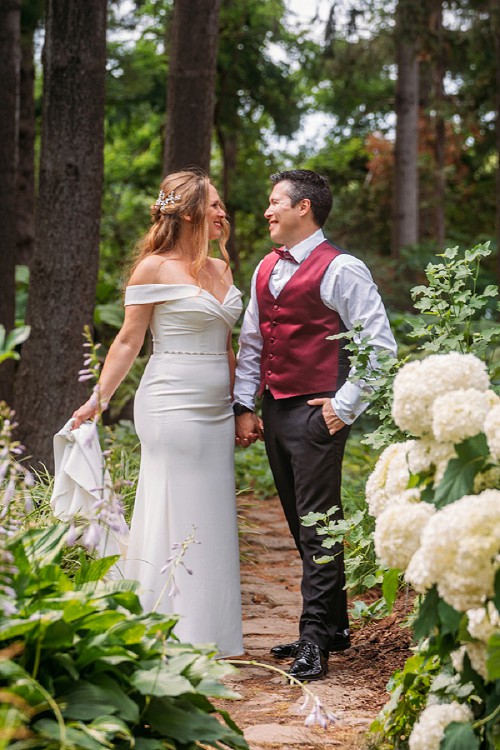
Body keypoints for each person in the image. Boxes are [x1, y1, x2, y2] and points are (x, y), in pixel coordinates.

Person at [72, 169, 244, 658]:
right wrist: (97, 401)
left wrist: (240, 405)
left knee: (211, 510)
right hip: (170, 401)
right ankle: (169, 628)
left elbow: (226, 344)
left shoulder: (221, 269)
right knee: (177, 503)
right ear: (188, 212)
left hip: (214, 406)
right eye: (213, 204)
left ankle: (210, 630)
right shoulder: (152, 268)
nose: (221, 212)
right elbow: (128, 340)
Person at [233, 169, 397, 680]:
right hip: (277, 409)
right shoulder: (265, 267)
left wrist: (341, 408)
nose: (267, 210)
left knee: (318, 527)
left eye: (275, 200)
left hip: (317, 412)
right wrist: (245, 406)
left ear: (304, 207)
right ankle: (333, 627)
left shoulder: (343, 268)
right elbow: (253, 344)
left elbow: (380, 347)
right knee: (302, 524)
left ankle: (312, 640)